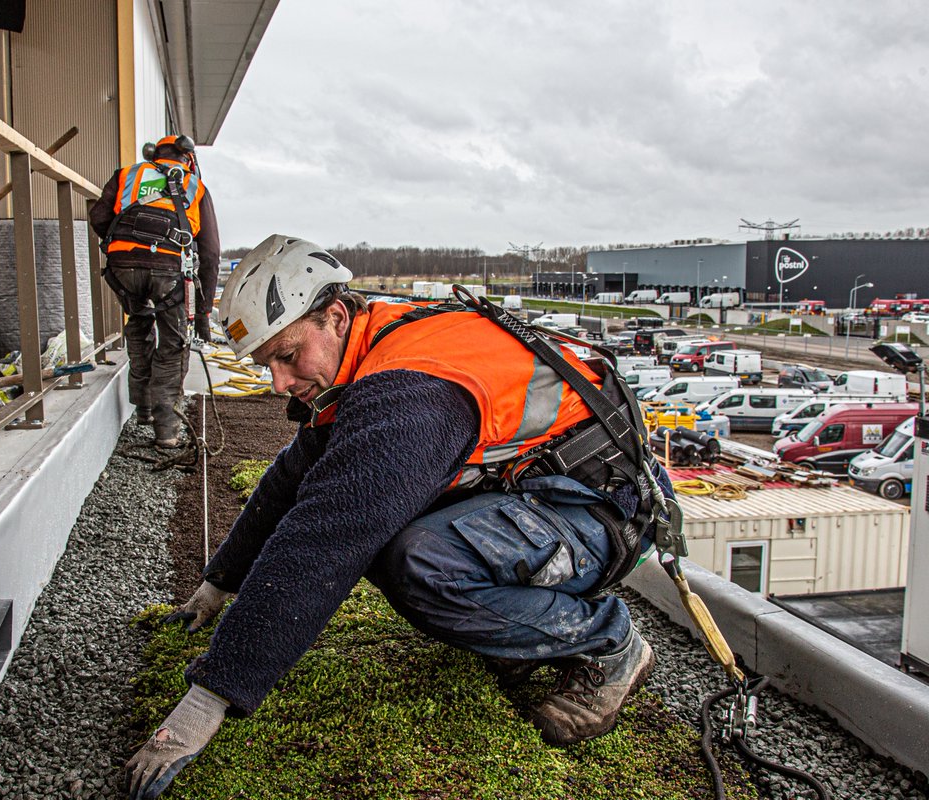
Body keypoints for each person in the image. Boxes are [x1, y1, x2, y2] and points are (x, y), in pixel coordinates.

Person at [124, 235, 677, 799]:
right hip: (537, 500)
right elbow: (295, 479)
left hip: (596, 516)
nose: (280, 384)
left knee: (418, 560)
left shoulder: (413, 389)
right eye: (269, 366)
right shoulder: (373, 343)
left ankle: (607, 641)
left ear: (335, 317)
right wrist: (217, 585)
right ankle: (513, 632)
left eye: (287, 358)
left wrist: (207, 700)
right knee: (389, 534)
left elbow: (325, 539)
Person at [89, 134, 220, 447]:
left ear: (154, 156)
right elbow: (211, 253)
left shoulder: (127, 175)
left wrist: (126, 244)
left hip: (122, 269)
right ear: (188, 158)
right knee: (173, 344)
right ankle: (166, 431)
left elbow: (99, 217)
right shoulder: (194, 186)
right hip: (168, 273)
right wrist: (202, 312)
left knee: (139, 323)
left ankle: (144, 407)